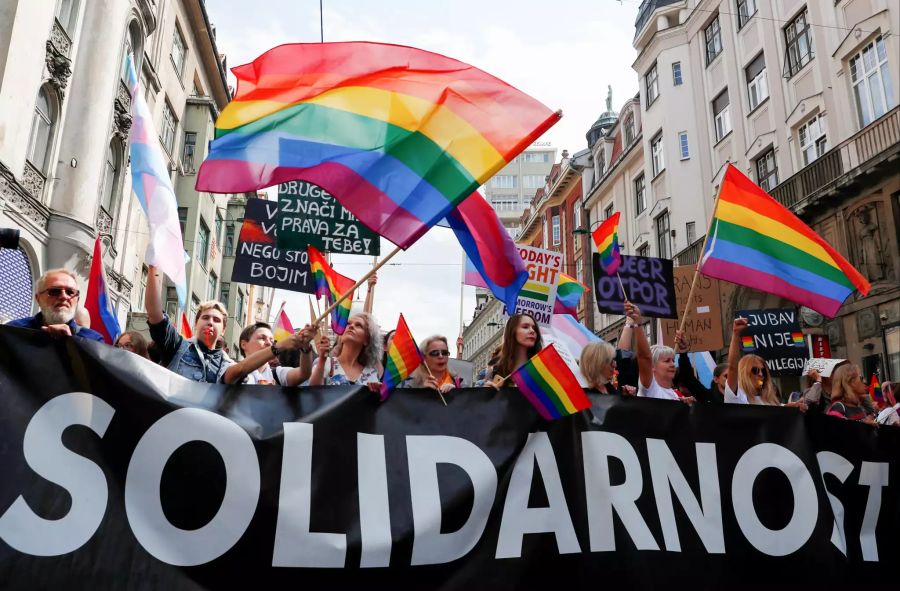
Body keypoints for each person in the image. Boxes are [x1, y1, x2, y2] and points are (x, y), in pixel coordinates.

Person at [144, 265, 234, 382]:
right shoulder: (176, 346)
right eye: (205, 317)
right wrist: (153, 269)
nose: (210, 322)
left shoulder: (228, 367)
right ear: (196, 323)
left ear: (223, 329)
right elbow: (154, 314)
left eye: (216, 320)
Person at [725, 317, 806, 410]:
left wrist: (792, 407)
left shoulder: (769, 400)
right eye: (755, 370)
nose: (761, 374)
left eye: (763, 371)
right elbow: (732, 367)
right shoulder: (737, 396)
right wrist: (736, 334)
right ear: (744, 373)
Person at [6, 269, 105, 341]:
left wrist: (71, 344)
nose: (63, 297)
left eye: (70, 292)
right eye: (54, 291)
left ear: (77, 300)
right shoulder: (13, 331)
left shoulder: (93, 340)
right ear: (38, 299)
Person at [630, 302, 694, 404]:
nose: (672, 364)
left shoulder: (675, 395)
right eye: (666, 361)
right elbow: (644, 357)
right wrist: (638, 323)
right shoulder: (649, 389)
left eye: (672, 360)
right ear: (652, 366)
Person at [222, 321, 317, 385]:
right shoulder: (231, 368)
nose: (269, 343)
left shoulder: (277, 374)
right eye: (262, 338)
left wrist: (305, 346)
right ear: (243, 344)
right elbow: (240, 370)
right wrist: (279, 346)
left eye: (271, 340)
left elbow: (304, 374)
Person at [309, 312, 382, 389]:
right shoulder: (326, 363)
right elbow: (312, 390)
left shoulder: (371, 373)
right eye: (348, 324)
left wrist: (378, 391)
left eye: (358, 325)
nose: (351, 326)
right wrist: (322, 360)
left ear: (367, 340)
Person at [489, 313, 543, 388]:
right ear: (512, 331)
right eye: (525, 327)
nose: (532, 331)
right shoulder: (495, 370)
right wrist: (487, 391)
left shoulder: (541, 369)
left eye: (534, 328)